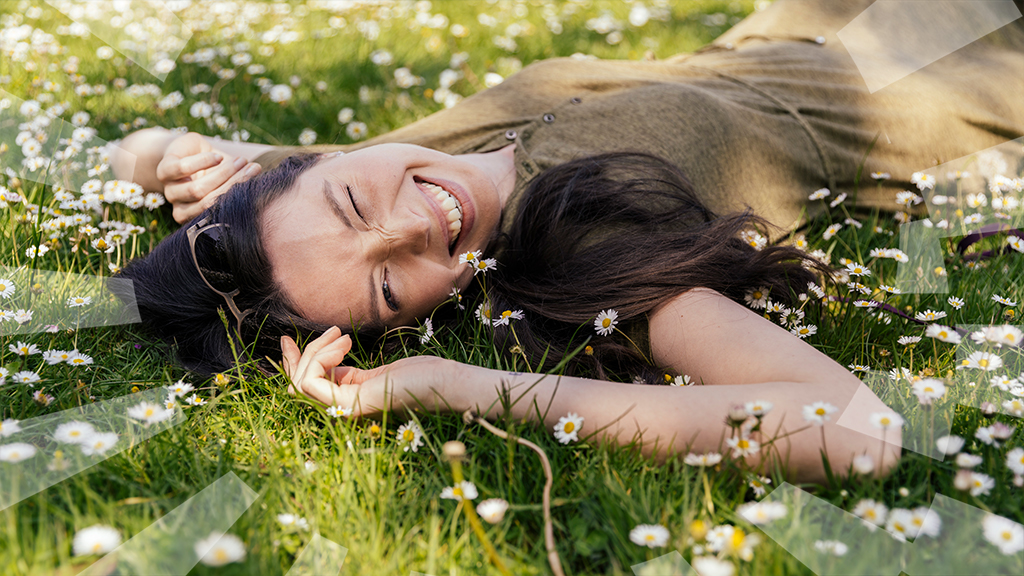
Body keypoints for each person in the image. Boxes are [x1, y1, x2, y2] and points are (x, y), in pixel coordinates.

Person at [113, 0, 1024, 483]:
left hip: (809, 23)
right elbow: (860, 432)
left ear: (308, 164)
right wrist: (456, 384)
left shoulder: (323, 195)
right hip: (964, 79)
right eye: (390, 288)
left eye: (353, 201)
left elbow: (129, 156)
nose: (415, 226)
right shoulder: (581, 252)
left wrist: (174, 154)